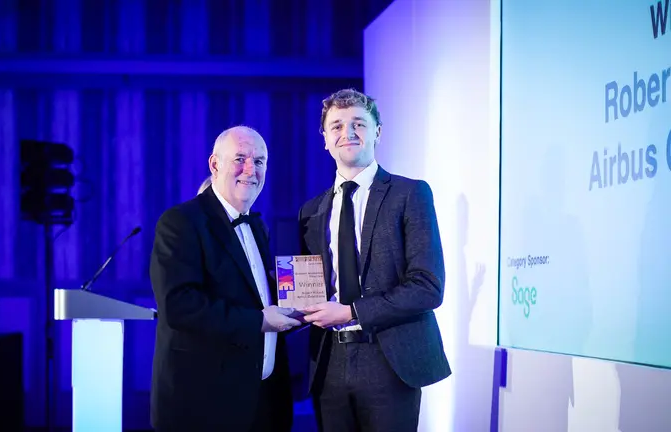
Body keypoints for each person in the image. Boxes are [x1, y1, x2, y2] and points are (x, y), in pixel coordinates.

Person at [298, 88, 451, 431]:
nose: (347, 133)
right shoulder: (311, 211)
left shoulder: (410, 194)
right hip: (329, 361)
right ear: (324, 139)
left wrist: (353, 311)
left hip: (390, 359)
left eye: (358, 124)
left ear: (378, 132)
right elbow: (308, 287)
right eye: (336, 126)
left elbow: (428, 287)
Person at [150, 125, 301, 432]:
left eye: (259, 161)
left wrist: (300, 304)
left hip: (262, 401)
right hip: (204, 406)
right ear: (214, 164)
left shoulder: (257, 226)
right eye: (240, 159)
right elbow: (179, 305)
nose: (251, 169)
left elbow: (250, 294)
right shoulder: (181, 221)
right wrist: (260, 321)